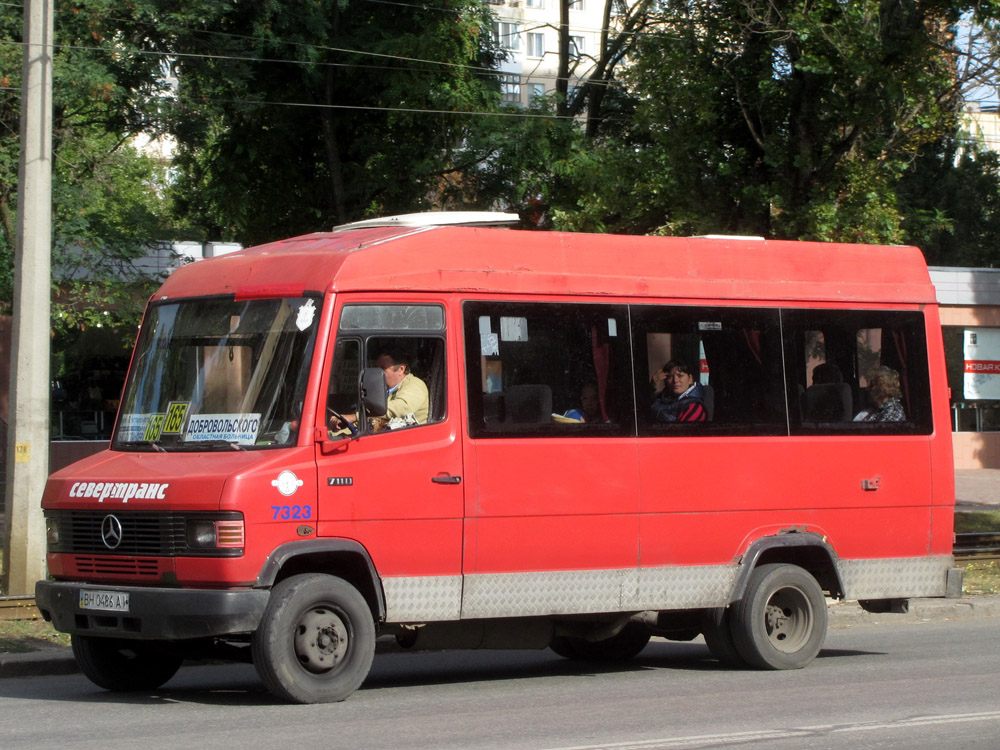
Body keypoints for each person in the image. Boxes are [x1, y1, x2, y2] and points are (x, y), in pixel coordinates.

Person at [332, 350, 429, 431]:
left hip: (407, 442)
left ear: (401, 369)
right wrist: (342, 423)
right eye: (376, 368)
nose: (377, 373)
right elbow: (372, 419)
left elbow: (400, 408)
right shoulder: (383, 389)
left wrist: (355, 417)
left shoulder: (415, 385)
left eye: (383, 368)